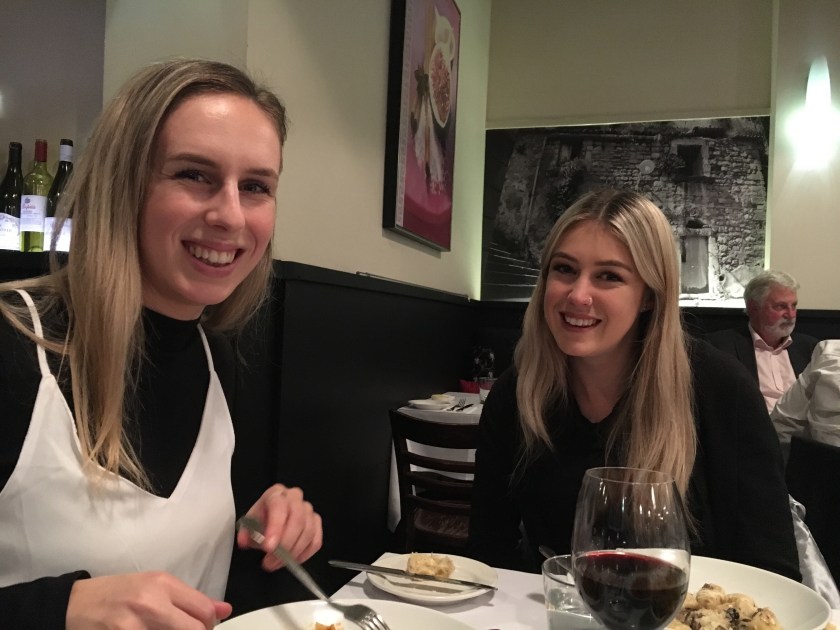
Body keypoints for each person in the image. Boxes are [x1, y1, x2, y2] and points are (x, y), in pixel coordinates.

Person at [0, 59, 322, 629]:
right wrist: (60, 609)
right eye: (194, 174)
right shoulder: (14, 344)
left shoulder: (218, 359)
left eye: (255, 187)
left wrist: (259, 529)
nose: (230, 215)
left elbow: (186, 560)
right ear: (122, 186)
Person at [469, 189, 800, 582]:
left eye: (609, 276)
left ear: (649, 296)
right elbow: (489, 551)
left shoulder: (721, 390)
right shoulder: (518, 394)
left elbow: (774, 572)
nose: (578, 295)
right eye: (564, 269)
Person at [706, 270, 818, 412]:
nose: (790, 315)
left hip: (804, 425)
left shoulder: (811, 348)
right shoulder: (720, 347)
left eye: (794, 306)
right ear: (753, 308)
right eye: (780, 306)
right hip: (753, 424)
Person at [771, 340, 840, 459]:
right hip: (818, 462)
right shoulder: (829, 351)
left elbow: (785, 421)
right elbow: (785, 421)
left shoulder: (829, 351)